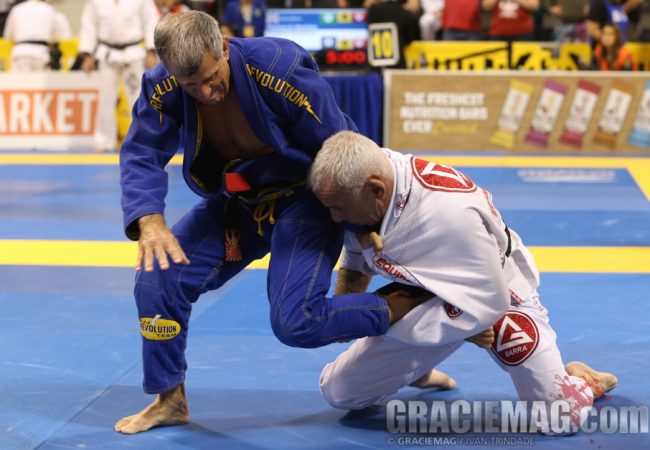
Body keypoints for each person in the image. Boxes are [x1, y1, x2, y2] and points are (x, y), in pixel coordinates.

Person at [114, 11, 415, 435]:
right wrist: (149, 220)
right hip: (237, 202)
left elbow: (339, 142)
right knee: (157, 277)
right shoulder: (161, 85)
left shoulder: (278, 67)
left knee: (297, 321)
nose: (205, 93)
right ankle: (170, 399)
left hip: (306, 201)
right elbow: (142, 152)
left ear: (223, 45)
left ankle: (409, 309)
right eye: (191, 86)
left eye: (210, 77)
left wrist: (363, 219)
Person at [310, 131, 617, 430]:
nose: (334, 218)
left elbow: (489, 302)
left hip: (497, 294)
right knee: (341, 392)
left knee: (560, 417)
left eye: (339, 209)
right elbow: (356, 251)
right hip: (425, 293)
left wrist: (465, 325)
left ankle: (580, 380)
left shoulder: (449, 216)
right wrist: (345, 314)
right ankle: (415, 369)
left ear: (376, 190)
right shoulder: (365, 180)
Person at [78, 0, 159, 152]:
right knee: (106, 97)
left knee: (138, 97)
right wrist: (87, 55)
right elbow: (89, 26)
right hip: (106, 52)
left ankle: (143, 139)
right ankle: (104, 140)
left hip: (134, 53)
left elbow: (151, 22)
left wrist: (151, 50)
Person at [2, 0, 71, 72]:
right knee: (40, 79)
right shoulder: (49, 9)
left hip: (20, 52)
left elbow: (8, 36)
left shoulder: (17, 9)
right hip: (42, 52)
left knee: (19, 79)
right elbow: (57, 36)